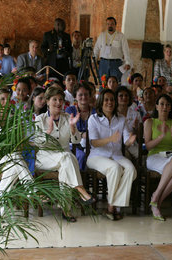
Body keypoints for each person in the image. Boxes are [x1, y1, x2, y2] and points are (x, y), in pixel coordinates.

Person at [34, 86, 95, 222]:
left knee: (66, 165)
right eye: (54, 99)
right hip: (45, 156)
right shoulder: (40, 119)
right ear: (48, 101)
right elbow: (38, 144)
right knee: (68, 158)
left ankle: (66, 209)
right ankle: (80, 190)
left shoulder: (68, 117)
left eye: (61, 99)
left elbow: (77, 140)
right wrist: (48, 132)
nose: (58, 102)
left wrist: (73, 129)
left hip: (63, 156)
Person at [87, 89, 137, 221]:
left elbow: (126, 139)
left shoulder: (121, 119)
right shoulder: (93, 119)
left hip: (116, 155)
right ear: (101, 102)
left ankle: (112, 205)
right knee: (115, 168)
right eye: (106, 99)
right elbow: (94, 142)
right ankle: (114, 208)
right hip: (97, 156)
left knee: (131, 170)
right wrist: (110, 139)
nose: (110, 102)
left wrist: (130, 140)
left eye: (112, 100)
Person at [144, 94, 172, 221]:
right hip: (154, 157)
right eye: (161, 104)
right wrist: (161, 136)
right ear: (156, 106)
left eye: (167, 105)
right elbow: (148, 146)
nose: (164, 107)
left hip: (170, 156)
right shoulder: (150, 122)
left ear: (171, 108)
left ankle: (156, 202)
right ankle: (156, 198)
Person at [65, 83, 96, 171]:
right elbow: (68, 130)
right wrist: (82, 134)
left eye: (86, 94)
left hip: (91, 145)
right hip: (73, 145)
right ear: (75, 96)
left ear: (90, 96)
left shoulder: (95, 112)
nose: (84, 97)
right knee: (82, 156)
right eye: (80, 95)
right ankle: (80, 181)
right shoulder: (70, 110)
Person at [94, 17, 131, 81]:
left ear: (115, 25)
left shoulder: (121, 36)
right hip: (103, 63)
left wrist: (127, 62)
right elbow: (96, 49)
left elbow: (126, 50)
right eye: (108, 24)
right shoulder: (102, 35)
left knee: (116, 83)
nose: (110, 26)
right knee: (103, 83)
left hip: (116, 63)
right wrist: (93, 61)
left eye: (112, 24)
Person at [116, 86, 141, 158]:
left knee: (141, 156)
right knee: (126, 157)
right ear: (116, 98)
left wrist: (135, 129)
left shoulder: (136, 114)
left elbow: (140, 135)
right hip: (117, 144)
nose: (124, 98)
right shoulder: (113, 114)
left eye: (126, 95)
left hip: (132, 144)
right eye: (121, 96)